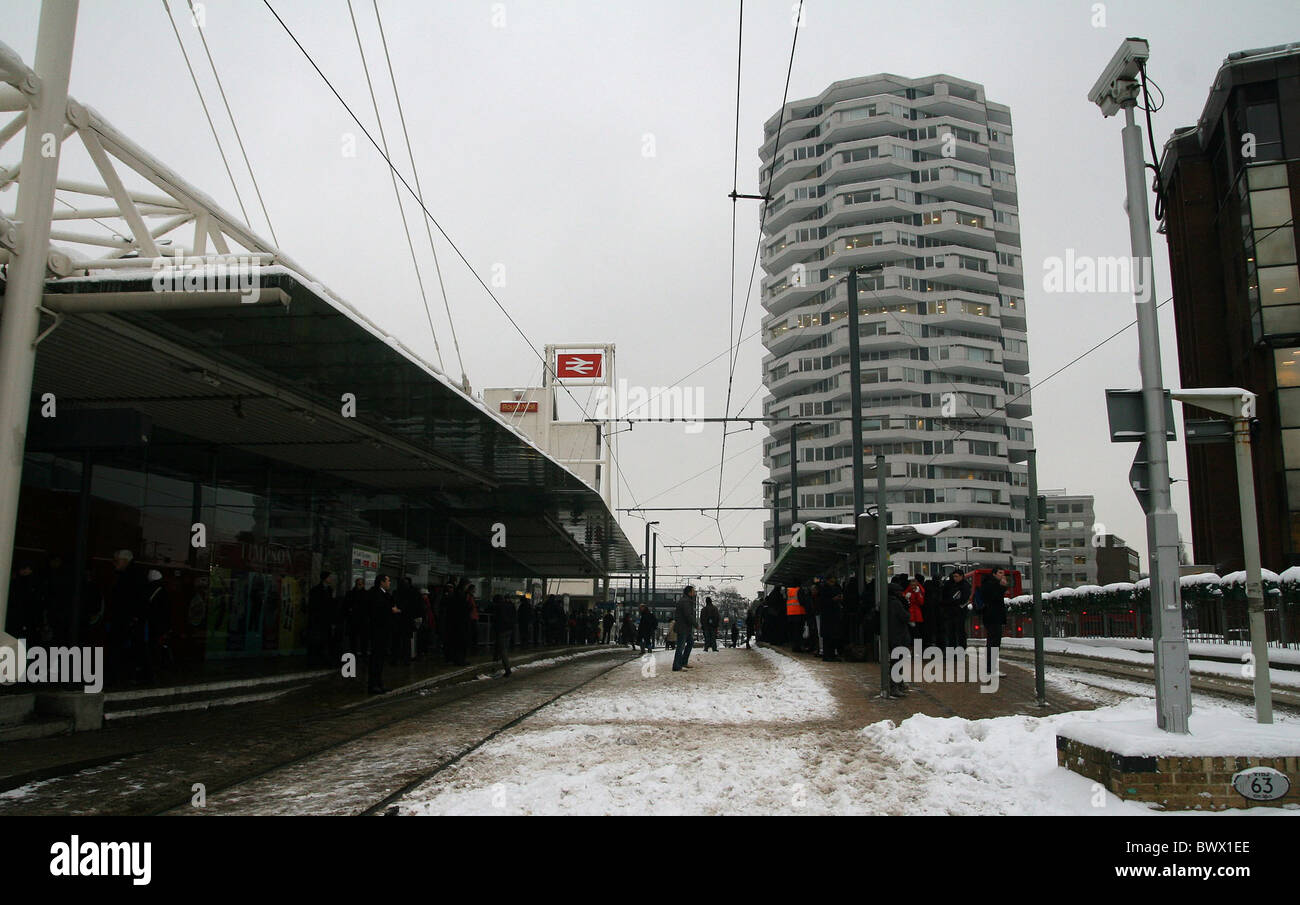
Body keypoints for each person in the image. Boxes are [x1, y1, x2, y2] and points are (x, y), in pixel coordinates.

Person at [368, 574, 399, 693]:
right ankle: (373, 684)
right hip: (378, 630)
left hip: (384, 630)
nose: (389, 583)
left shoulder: (385, 594)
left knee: (381, 658)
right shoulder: (375, 593)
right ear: (382, 582)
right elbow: (377, 610)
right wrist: (391, 610)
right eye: (388, 581)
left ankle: (379, 683)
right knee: (376, 657)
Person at [978, 569, 1009, 677]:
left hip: (992, 617)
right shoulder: (991, 585)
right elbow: (994, 598)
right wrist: (1003, 587)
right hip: (993, 617)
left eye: (1003, 573)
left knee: (993, 642)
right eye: (1000, 573)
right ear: (994, 574)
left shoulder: (989, 583)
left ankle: (990, 668)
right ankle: (991, 669)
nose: (1002, 575)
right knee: (994, 643)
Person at [886, 575, 913, 697]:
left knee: (895, 659)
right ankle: (895, 686)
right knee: (898, 660)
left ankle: (898, 683)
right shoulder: (896, 603)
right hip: (899, 635)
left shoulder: (886, 602)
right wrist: (906, 604)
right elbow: (906, 617)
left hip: (891, 634)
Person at [940, 569, 972, 651]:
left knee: (960, 633)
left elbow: (963, 599)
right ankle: (951, 650)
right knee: (951, 633)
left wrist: (951, 602)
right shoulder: (950, 585)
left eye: (956, 576)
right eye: (954, 576)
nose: (955, 578)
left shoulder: (965, 586)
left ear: (961, 576)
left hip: (959, 612)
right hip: (950, 612)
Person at [307, 571, 334, 666]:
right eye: (329, 577)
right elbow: (313, 606)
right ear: (325, 578)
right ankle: (316, 660)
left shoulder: (329, 589)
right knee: (317, 641)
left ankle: (322, 659)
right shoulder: (316, 590)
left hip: (325, 620)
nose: (331, 579)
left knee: (324, 640)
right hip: (318, 620)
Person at [672, 585, 699, 671]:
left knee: (690, 642)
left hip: (685, 627)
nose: (694, 593)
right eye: (693, 591)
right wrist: (696, 624)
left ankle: (683, 662)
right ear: (689, 592)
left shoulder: (686, 600)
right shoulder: (685, 602)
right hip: (683, 627)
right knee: (680, 646)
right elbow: (688, 615)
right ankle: (676, 666)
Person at [821, 575, 844, 661]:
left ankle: (831, 654)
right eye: (831, 581)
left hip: (834, 616)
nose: (832, 583)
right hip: (828, 617)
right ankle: (827, 655)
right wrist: (833, 600)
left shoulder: (836, 588)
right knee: (828, 637)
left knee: (833, 636)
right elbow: (823, 602)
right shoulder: (824, 589)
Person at [493, 594, 516, 677]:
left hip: (501, 630)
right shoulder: (509, 606)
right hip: (509, 629)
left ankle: (507, 669)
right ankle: (503, 664)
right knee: (505, 649)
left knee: (503, 650)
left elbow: (497, 619)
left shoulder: (498, 608)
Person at [344, 577, 368, 657]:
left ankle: (357, 655)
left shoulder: (351, 593)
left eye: (360, 584)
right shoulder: (365, 594)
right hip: (358, 620)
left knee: (357, 639)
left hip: (356, 619)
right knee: (358, 639)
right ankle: (361, 655)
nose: (359, 585)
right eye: (359, 584)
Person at [904, 576, 926, 646]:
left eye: (914, 585)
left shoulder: (919, 591)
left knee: (916, 634)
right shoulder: (908, 591)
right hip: (911, 615)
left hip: (916, 615)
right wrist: (905, 598)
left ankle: (917, 649)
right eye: (911, 585)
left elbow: (921, 602)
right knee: (912, 634)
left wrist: (916, 593)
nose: (912, 586)